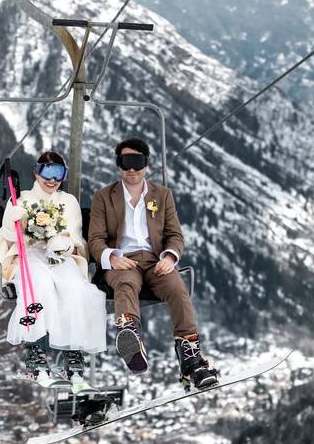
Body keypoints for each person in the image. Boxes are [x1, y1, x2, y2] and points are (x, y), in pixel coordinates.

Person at [88, 137, 219, 389]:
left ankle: (191, 358)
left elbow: (174, 234)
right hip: (122, 260)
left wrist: (170, 257)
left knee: (178, 290)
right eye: (126, 162)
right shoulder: (104, 197)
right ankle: (130, 336)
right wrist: (111, 258)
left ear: (146, 163)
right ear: (119, 165)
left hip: (155, 261)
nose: (132, 169)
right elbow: (95, 239)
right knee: (125, 285)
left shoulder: (162, 195)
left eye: (137, 162)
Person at [0, 151, 107, 390]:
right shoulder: (20, 200)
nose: (52, 180)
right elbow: (8, 239)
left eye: (58, 174)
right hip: (28, 256)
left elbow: (74, 235)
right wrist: (13, 221)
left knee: (76, 289)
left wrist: (61, 244)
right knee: (40, 287)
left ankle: (72, 355)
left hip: (59, 257)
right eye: (47, 172)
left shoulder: (68, 201)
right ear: (36, 173)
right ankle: (36, 356)